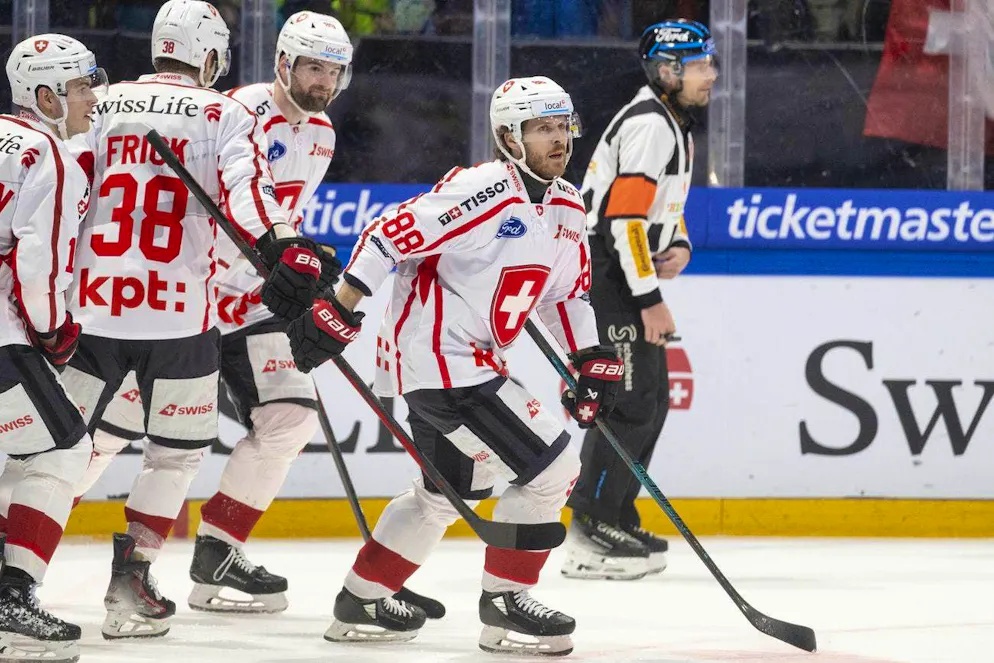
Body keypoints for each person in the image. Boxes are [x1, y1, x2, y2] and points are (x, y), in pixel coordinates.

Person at [286, 75, 623, 656]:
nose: (559, 139)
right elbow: (384, 237)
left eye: (563, 125)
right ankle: (506, 605)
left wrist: (586, 359)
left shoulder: (566, 205)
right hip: (444, 367)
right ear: (509, 137)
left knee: (442, 494)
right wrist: (339, 306)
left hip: (472, 364)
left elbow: (563, 297)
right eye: (543, 128)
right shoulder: (484, 188)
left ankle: (361, 600)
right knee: (551, 470)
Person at [55, 0, 323, 640]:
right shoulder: (224, 110)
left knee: (60, 445)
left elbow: (61, 180)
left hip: (93, 307)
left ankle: (14, 565)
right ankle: (130, 585)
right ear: (209, 55)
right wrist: (284, 246)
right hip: (178, 314)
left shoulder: (104, 99)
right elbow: (249, 192)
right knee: (171, 457)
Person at [562, 19, 716, 581]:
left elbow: (655, 212)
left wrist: (676, 243)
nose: (711, 75)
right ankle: (587, 529)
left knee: (649, 401)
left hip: (623, 268)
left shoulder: (674, 122)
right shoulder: (652, 124)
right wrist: (649, 297)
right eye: (700, 65)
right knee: (627, 402)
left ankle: (614, 513)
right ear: (667, 70)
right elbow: (621, 219)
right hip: (607, 273)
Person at [0, 33, 105, 661]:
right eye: (80, 86)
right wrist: (54, 329)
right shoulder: (50, 154)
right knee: (65, 452)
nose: (91, 98)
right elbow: (38, 267)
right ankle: (13, 600)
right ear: (45, 96)